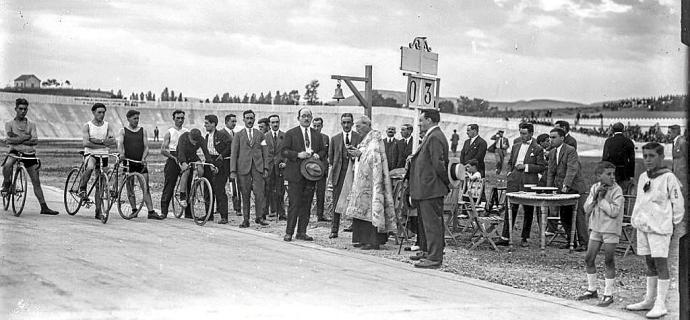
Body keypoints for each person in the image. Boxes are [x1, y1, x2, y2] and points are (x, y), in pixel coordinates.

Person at [626, 142, 684, 318]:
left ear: (661, 157)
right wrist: (635, 220)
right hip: (644, 225)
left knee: (660, 264)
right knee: (649, 263)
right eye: (645, 156)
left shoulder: (668, 177)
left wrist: (673, 224)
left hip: (660, 227)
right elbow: (640, 200)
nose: (648, 160)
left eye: (652, 156)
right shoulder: (644, 176)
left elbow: (678, 203)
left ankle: (661, 303)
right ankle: (649, 299)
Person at [343, 115, 397, 250]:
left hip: (373, 183)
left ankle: (372, 241)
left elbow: (374, 158)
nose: (357, 129)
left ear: (367, 125)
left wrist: (360, 154)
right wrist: (357, 154)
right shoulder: (366, 139)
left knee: (371, 210)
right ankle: (361, 238)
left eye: (359, 126)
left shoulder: (375, 139)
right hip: (362, 182)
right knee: (361, 210)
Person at [577, 161, 624, 307]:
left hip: (610, 229)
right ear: (599, 176)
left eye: (613, 174)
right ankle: (592, 289)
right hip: (596, 228)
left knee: (608, 260)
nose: (612, 177)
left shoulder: (617, 190)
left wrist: (601, 200)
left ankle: (608, 293)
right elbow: (587, 209)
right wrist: (596, 196)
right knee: (589, 258)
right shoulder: (595, 188)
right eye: (608, 174)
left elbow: (614, 212)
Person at [1, 98, 59, 215]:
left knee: (36, 181)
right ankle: (7, 183)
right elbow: (9, 140)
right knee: (7, 165)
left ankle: (44, 207)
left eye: (25, 109)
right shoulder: (9, 124)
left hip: (29, 153)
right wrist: (24, 138)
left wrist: (18, 140)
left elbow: (35, 140)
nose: (23, 111)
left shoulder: (31, 124)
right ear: (16, 109)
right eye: (20, 109)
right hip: (15, 152)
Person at [407, 109, 450, 269]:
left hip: (431, 189)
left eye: (421, 120)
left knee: (432, 225)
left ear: (430, 120)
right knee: (426, 224)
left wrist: (446, 182)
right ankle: (427, 251)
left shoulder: (435, 137)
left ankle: (434, 258)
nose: (419, 123)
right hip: (426, 189)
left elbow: (439, 164)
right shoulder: (432, 136)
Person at [496, 123, 547, 247]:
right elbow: (510, 162)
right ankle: (505, 237)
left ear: (531, 133)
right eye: (521, 133)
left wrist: (526, 167)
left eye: (524, 133)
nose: (522, 136)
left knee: (528, 209)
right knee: (510, 208)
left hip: (529, 180)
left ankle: (525, 237)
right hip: (514, 180)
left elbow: (541, 167)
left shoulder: (538, 148)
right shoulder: (516, 146)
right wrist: (509, 173)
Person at [281, 108, 326, 242]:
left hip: (311, 175)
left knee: (306, 204)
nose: (306, 119)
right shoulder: (291, 133)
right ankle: (289, 232)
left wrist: (318, 155)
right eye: (303, 116)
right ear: (298, 118)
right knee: (294, 204)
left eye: (308, 116)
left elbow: (324, 150)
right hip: (295, 174)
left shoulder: (317, 135)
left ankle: (302, 232)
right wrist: (297, 155)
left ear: (311, 118)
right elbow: (283, 151)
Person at [547, 128, 589, 251]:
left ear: (562, 138)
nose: (551, 140)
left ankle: (584, 243)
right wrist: (549, 189)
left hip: (575, 188)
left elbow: (572, 170)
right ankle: (571, 241)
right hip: (562, 190)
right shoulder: (552, 152)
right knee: (564, 215)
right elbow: (551, 172)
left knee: (578, 216)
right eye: (550, 137)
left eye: (554, 137)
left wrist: (566, 185)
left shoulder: (570, 151)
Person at [116, 110, 161, 220]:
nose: (136, 120)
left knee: (145, 187)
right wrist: (121, 154)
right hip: (128, 162)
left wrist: (143, 158)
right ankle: (134, 210)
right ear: (128, 119)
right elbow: (120, 144)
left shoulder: (142, 131)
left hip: (140, 163)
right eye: (134, 118)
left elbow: (146, 147)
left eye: (138, 118)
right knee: (130, 188)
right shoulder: (123, 131)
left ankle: (151, 211)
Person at [230, 110, 269, 228]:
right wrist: (233, 171)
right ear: (244, 120)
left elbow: (265, 152)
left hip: (258, 168)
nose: (250, 120)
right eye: (247, 118)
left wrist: (266, 167)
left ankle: (259, 217)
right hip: (243, 168)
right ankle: (246, 219)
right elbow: (234, 153)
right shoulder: (238, 135)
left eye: (252, 118)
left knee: (259, 193)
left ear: (254, 119)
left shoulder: (260, 135)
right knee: (245, 194)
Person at [79, 103, 117, 220]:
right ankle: (82, 188)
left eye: (103, 112)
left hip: (104, 155)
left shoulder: (107, 125)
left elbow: (112, 141)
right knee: (90, 167)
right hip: (91, 154)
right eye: (99, 112)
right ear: (93, 112)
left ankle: (98, 211)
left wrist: (96, 141)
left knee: (100, 184)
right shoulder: (88, 126)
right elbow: (86, 143)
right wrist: (103, 143)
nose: (102, 114)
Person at [328, 113, 361, 239]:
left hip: (354, 173)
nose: (346, 125)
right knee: (336, 202)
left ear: (352, 124)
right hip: (339, 174)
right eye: (344, 122)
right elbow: (331, 159)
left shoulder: (359, 137)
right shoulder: (335, 139)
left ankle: (356, 230)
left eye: (348, 122)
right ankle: (334, 229)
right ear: (341, 124)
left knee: (355, 201)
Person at [176, 128, 212, 219]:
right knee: (186, 171)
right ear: (189, 137)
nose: (195, 144)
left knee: (201, 169)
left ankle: (195, 186)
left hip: (192, 156)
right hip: (182, 155)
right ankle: (183, 196)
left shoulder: (201, 139)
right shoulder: (183, 137)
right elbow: (180, 152)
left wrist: (211, 163)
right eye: (193, 141)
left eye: (197, 142)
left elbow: (206, 152)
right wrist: (183, 163)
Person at [203, 115, 232, 224]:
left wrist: (222, 155)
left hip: (221, 163)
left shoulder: (222, 135)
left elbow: (230, 145)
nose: (205, 125)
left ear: (213, 124)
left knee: (219, 190)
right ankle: (209, 215)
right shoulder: (206, 136)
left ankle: (224, 216)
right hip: (210, 162)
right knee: (207, 190)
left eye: (207, 123)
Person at [160, 110, 189, 219]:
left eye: (182, 118)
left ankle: (189, 213)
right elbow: (163, 150)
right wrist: (173, 158)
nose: (180, 120)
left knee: (188, 184)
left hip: (184, 158)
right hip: (172, 159)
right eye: (178, 118)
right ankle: (164, 212)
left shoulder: (187, 132)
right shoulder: (169, 132)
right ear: (174, 119)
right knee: (169, 185)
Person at [602, 122, 636, 194]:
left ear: (613, 130)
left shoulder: (608, 141)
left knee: (611, 194)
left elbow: (604, 158)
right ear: (623, 130)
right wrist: (631, 175)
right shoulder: (628, 141)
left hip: (611, 172)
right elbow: (632, 160)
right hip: (624, 172)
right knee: (623, 195)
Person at [263, 114, 286, 220]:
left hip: (280, 168)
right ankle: (263, 213)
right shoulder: (264, 136)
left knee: (280, 190)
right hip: (268, 167)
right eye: (273, 122)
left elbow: (287, 152)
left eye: (277, 122)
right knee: (266, 190)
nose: (275, 124)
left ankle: (281, 213)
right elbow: (262, 152)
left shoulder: (285, 136)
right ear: (269, 124)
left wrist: (285, 162)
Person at [223, 114, 242, 215]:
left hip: (233, 164)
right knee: (221, 186)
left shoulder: (236, 134)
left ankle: (237, 208)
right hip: (224, 163)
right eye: (232, 121)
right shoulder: (221, 133)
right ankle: (220, 208)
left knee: (234, 186)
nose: (234, 123)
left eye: (235, 121)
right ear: (226, 122)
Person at [312, 117, 330, 222]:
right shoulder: (308, 137)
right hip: (310, 170)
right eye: (314, 125)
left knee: (321, 193)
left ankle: (320, 215)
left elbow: (327, 154)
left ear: (322, 126)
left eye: (318, 125)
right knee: (308, 192)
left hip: (321, 170)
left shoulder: (325, 138)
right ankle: (306, 214)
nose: (316, 128)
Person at [668, 124, 688, 193]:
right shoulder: (675, 142)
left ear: (675, 133)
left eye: (669, 133)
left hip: (683, 176)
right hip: (676, 175)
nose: (668, 134)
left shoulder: (682, 142)